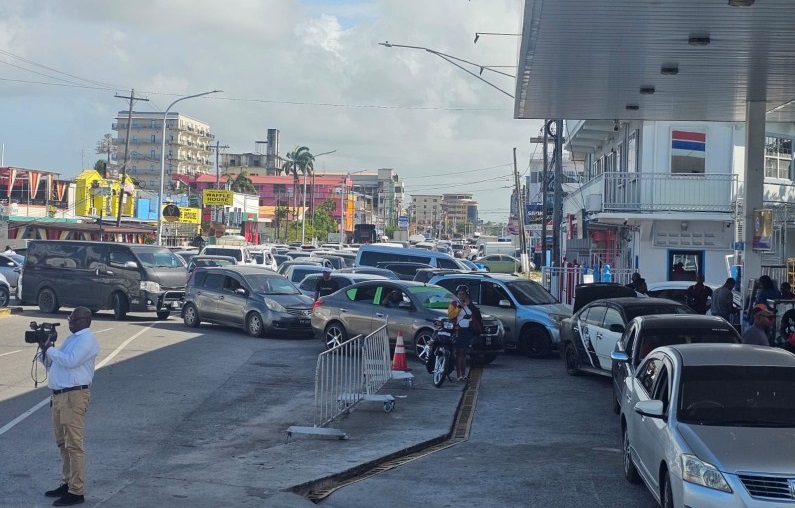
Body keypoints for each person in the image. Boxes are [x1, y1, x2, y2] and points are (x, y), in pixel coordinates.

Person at [39, 307, 100, 506]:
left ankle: (76, 491)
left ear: (86, 320)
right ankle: (67, 482)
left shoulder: (87, 340)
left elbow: (71, 361)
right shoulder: (71, 339)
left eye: (74, 319)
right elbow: (54, 364)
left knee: (74, 444)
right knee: (62, 443)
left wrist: (51, 350)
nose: (70, 322)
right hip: (59, 396)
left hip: (74, 396)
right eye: (70, 318)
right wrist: (44, 348)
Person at [447, 285, 483, 382]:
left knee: (464, 353)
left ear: (467, 294)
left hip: (469, 330)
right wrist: (460, 306)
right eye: (459, 294)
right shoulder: (454, 304)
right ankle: (459, 375)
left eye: (463, 294)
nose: (461, 296)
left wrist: (469, 305)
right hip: (459, 330)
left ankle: (463, 374)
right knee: (459, 352)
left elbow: (477, 315)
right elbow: (450, 315)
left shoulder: (470, 304)